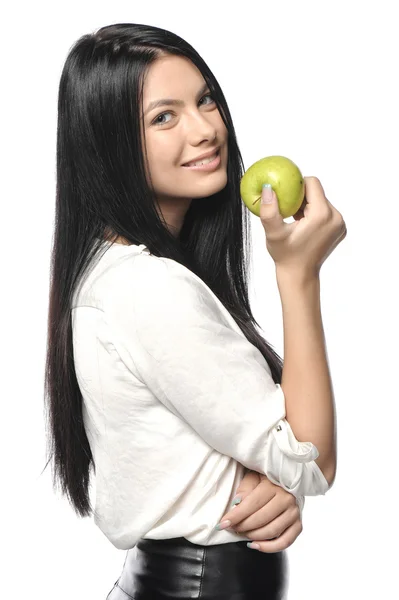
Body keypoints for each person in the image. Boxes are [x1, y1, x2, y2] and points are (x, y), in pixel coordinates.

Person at [43, 22, 347, 599]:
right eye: (164, 117)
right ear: (111, 147)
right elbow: (308, 458)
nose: (206, 129)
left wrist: (276, 483)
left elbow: (281, 461)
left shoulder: (121, 275)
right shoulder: (146, 287)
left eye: (205, 100)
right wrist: (298, 274)